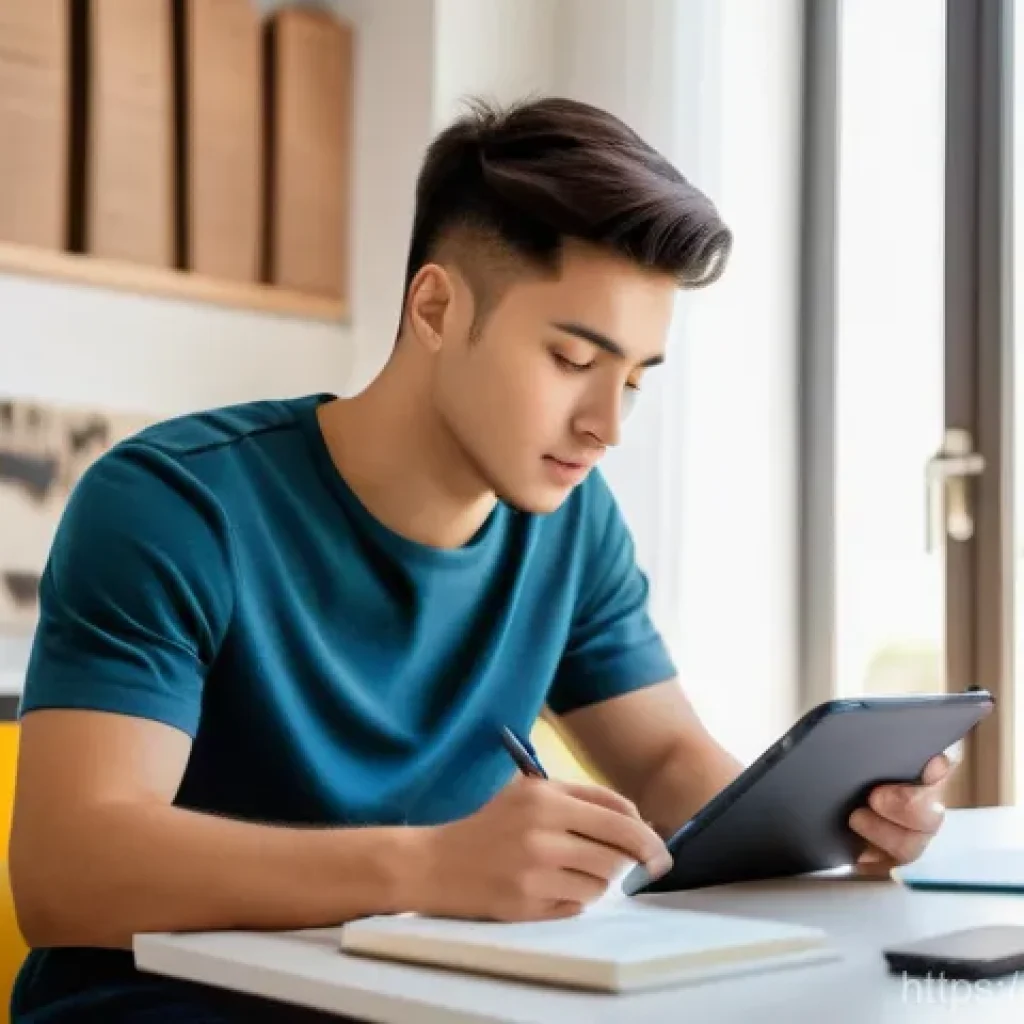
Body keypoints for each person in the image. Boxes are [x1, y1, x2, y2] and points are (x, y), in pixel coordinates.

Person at [8, 97, 953, 1022]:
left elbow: (667, 761)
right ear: (434, 307)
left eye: (632, 380)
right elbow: (66, 875)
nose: (608, 425)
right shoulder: (172, 505)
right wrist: (430, 865)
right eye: (572, 360)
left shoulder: (573, 525)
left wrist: (830, 823)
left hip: (437, 1003)